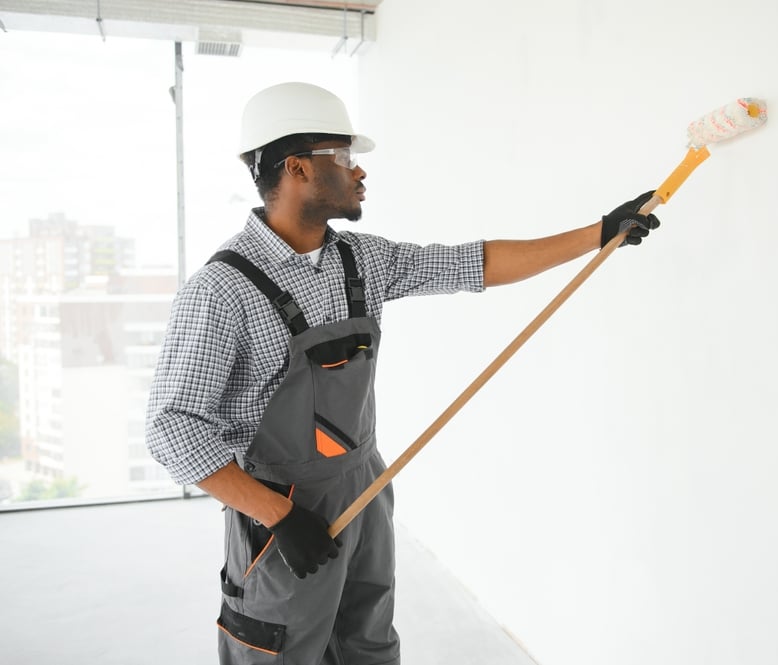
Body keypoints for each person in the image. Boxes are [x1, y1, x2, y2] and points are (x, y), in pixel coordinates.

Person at [145, 81, 659, 665]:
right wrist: (279, 516)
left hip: (363, 485)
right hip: (281, 513)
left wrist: (599, 234)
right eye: (343, 156)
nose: (359, 172)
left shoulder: (361, 260)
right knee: (277, 651)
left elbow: (475, 262)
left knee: (367, 642)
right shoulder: (222, 291)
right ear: (296, 168)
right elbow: (172, 429)